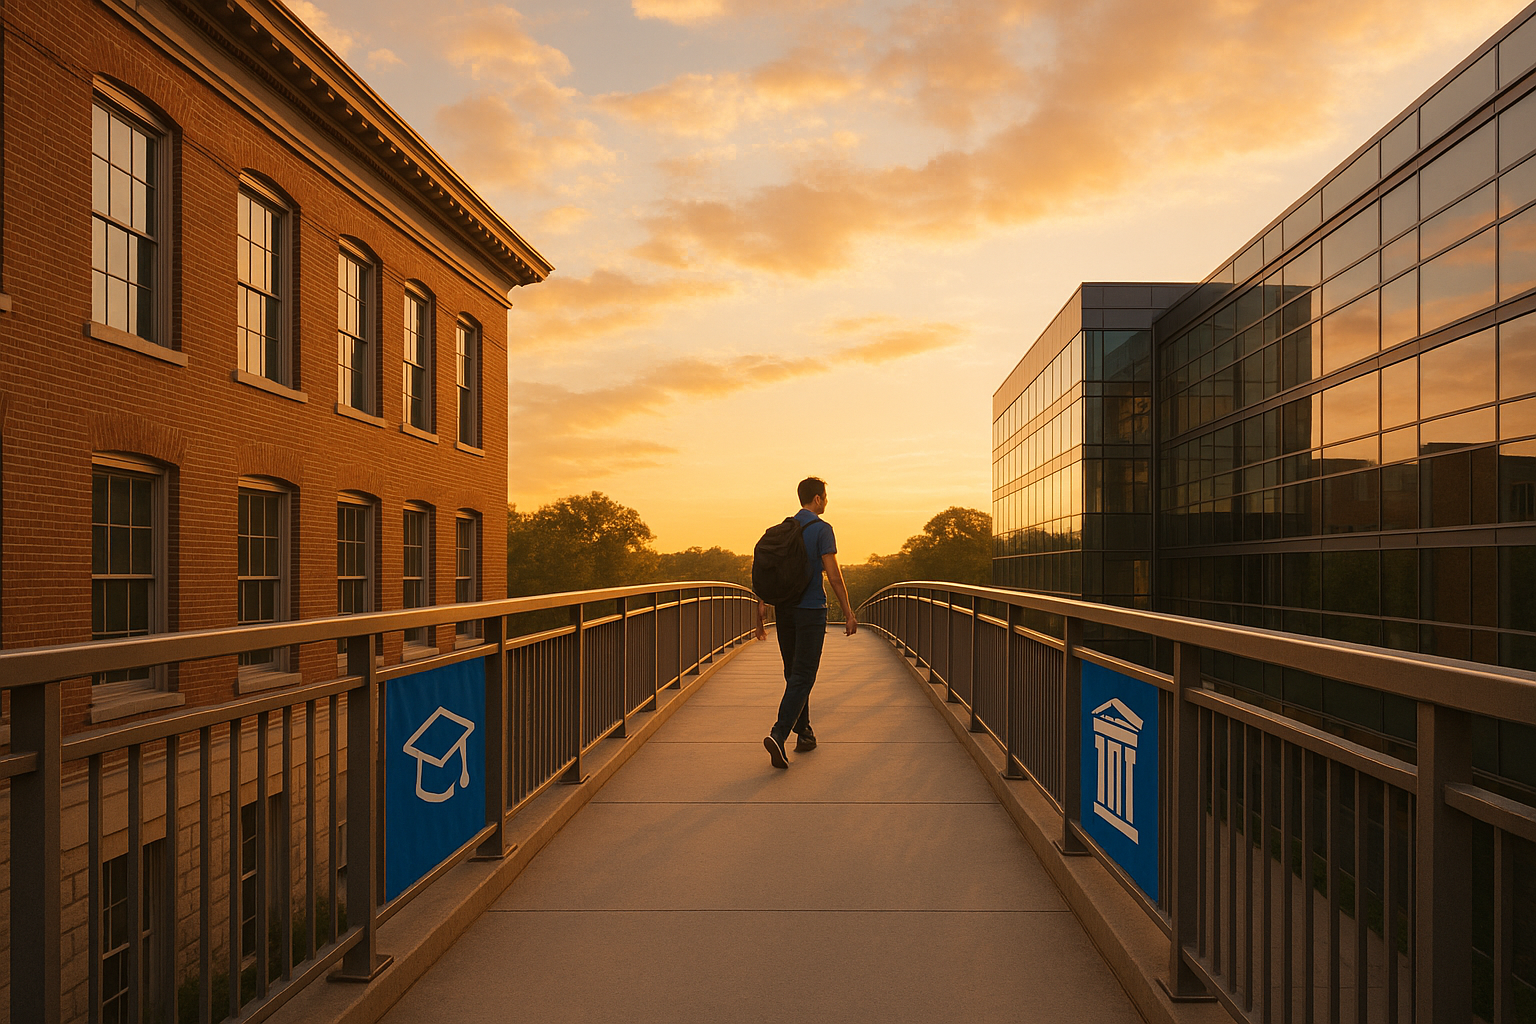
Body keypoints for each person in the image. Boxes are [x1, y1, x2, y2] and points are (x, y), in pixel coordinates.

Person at [756, 476, 857, 769]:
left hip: (785, 610)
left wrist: (762, 609)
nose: (826, 501)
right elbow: (834, 576)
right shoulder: (822, 530)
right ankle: (779, 733)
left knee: (794, 674)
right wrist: (848, 613)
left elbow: (767, 571)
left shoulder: (784, 530)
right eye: (825, 497)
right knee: (804, 675)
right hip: (811, 609)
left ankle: (806, 734)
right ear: (816, 499)